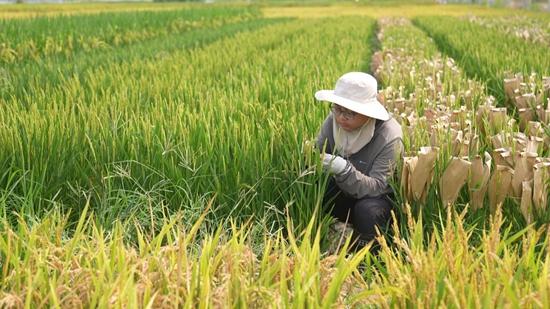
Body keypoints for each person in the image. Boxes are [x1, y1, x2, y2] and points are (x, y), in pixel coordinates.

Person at [314, 72, 403, 253]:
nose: (341, 118)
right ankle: (323, 238)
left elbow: (377, 187)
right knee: (312, 186)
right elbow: (317, 154)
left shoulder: (388, 136)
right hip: (342, 192)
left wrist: (344, 169)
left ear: (368, 112)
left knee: (368, 211)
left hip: (374, 200)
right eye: (338, 109)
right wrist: (313, 159)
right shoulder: (332, 122)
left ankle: (368, 257)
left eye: (351, 113)